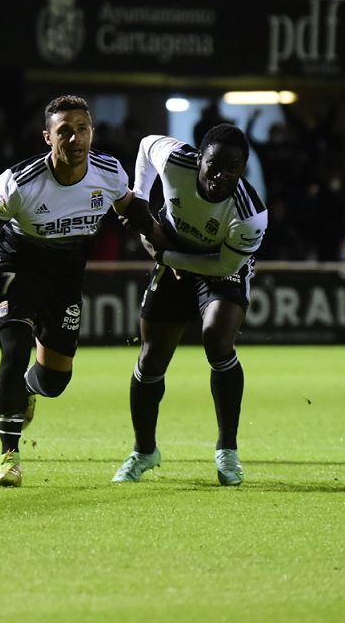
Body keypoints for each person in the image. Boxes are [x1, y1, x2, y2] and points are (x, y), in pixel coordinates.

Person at [0, 95, 157, 487]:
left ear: (92, 133)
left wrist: (165, 247)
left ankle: (25, 388)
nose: (75, 138)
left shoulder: (108, 173)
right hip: (18, 265)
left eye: (82, 129)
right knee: (14, 348)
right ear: (47, 137)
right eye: (65, 131)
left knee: (55, 381)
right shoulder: (19, 183)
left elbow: (132, 210)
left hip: (66, 275)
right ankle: (10, 456)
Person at [111, 124, 267, 486]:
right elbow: (146, 141)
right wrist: (139, 196)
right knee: (152, 356)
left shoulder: (249, 215)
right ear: (200, 158)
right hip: (172, 251)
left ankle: (227, 450)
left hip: (217, 264)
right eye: (215, 164)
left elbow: (225, 266)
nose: (221, 175)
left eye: (233, 168)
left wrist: (169, 256)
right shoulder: (175, 159)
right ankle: (144, 451)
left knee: (216, 338)